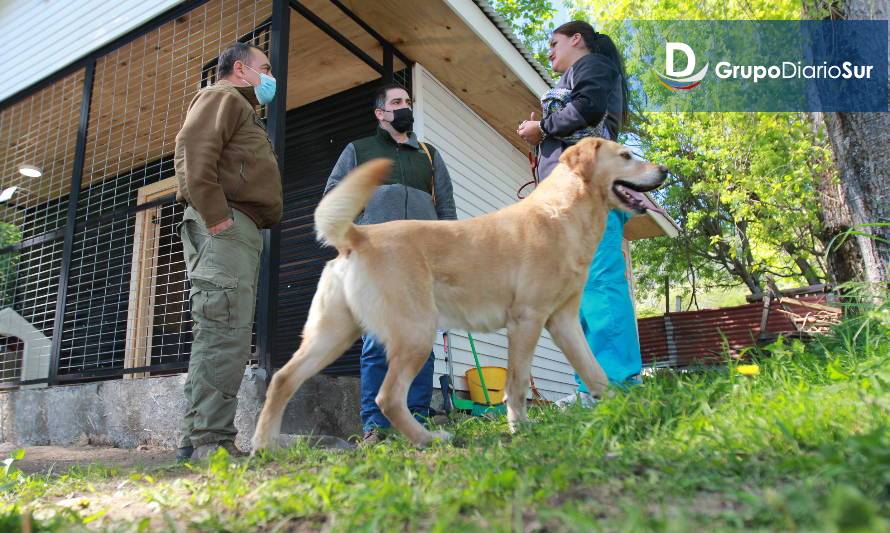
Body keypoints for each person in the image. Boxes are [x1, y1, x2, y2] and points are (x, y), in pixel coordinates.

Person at [515, 21, 643, 406]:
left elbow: (589, 107)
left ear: (576, 39)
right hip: (567, 195)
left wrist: (542, 127)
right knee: (576, 293)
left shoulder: (592, 66)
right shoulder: (575, 73)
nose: (549, 50)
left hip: (589, 190)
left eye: (553, 42)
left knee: (600, 284)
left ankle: (619, 385)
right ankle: (592, 388)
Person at [324, 83, 457, 444]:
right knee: (376, 342)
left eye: (408, 102)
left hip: (422, 262)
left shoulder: (428, 155)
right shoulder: (359, 150)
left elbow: (446, 209)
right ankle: (375, 425)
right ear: (380, 113)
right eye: (397, 102)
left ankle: (415, 418)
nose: (405, 107)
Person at [174, 42, 282, 459]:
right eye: (265, 68)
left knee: (221, 329)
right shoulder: (220, 97)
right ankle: (211, 442)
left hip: (237, 226)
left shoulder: (239, 107)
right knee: (225, 331)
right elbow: (192, 150)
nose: (270, 76)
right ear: (241, 69)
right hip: (226, 224)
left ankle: (196, 439)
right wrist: (217, 214)